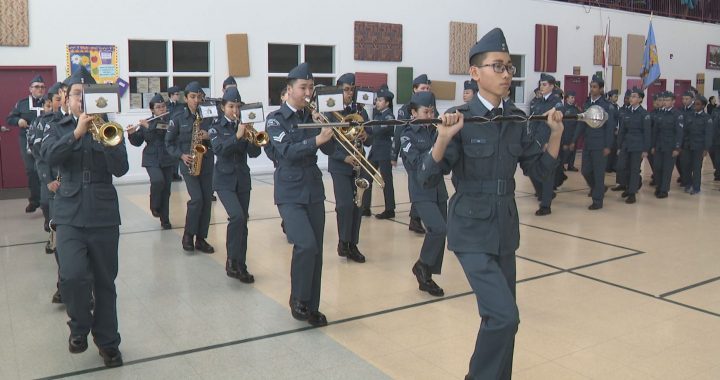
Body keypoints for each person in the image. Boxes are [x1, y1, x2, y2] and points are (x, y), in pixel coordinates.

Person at [418, 28, 563, 379]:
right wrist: (442, 139)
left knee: (499, 318)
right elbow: (427, 177)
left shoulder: (515, 118)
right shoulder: (460, 117)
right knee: (505, 316)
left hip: (504, 231)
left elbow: (541, 173)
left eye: (509, 68)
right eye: (497, 66)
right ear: (475, 73)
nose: (506, 74)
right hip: (470, 229)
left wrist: (555, 135)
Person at [43, 67, 128, 368]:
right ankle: (79, 325)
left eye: (87, 94)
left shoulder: (109, 127)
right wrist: (77, 132)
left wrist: (105, 137)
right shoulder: (57, 126)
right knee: (73, 275)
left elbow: (121, 169)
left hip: (103, 213)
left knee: (106, 283)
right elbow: (50, 158)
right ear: (65, 98)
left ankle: (108, 342)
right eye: (77, 93)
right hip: (68, 212)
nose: (81, 99)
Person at [265, 62, 335, 326]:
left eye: (311, 87)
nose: (308, 92)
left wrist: (327, 128)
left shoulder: (312, 116)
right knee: (305, 244)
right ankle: (298, 298)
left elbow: (329, 152)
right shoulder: (276, 118)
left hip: (314, 189)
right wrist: (316, 139)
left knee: (316, 250)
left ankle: (311, 305)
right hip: (289, 190)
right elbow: (287, 152)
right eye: (303, 87)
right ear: (289, 89)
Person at [209, 87, 261, 283]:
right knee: (237, 217)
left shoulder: (244, 125)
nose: (235, 111)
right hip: (223, 180)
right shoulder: (216, 127)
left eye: (238, 107)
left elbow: (255, 154)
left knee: (243, 222)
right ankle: (232, 260)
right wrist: (238, 136)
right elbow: (220, 150)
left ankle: (241, 264)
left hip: (242, 179)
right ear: (223, 107)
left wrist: (254, 139)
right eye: (231, 106)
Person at [399, 92, 447, 297]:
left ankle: (427, 273)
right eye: (425, 112)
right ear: (413, 113)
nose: (430, 115)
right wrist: (439, 145)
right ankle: (423, 266)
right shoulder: (407, 134)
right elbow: (417, 164)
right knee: (438, 229)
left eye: (432, 111)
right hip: (421, 189)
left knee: (442, 231)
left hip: (439, 188)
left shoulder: (436, 130)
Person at [166, 82, 215, 253]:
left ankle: (201, 239)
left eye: (199, 97)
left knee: (206, 201)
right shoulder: (178, 117)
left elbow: (219, 136)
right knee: (197, 199)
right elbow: (169, 143)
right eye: (192, 97)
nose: (196, 100)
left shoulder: (209, 115)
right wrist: (181, 155)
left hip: (207, 162)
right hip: (189, 163)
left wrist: (209, 135)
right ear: (186, 98)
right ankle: (188, 235)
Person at [327, 73, 369, 263]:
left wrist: (366, 137)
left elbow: (372, 136)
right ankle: (343, 241)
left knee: (357, 206)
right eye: (345, 90)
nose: (349, 93)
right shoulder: (330, 112)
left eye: (352, 89)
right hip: (340, 165)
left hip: (359, 164)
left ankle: (353, 244)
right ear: (338, 90)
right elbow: (327, 144)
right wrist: (344, 157)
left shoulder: (360, 111)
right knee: (344, 205)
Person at [394, 74, 436, 234]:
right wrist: (394, 154)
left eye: (427, 88)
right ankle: (415, 219)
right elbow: (399, 132)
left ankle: (415, 218)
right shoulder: (406, 110)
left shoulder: (432, 120)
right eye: (422, 88)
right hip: (417, 164)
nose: (430, 115)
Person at [127, 94, 175, 229]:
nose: (161, 109)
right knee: (157, 181)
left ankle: (165, 219)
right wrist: (131, 133)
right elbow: (138, 142)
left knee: (166, 190)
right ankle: (154, 205)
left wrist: (148, 126)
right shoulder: (148, 122)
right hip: (151, 158)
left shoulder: (170, 121)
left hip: (167, 157)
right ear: (152, 110)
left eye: (163, 106)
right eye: (158, 107)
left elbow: (163, 132)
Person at [569, 74, 615, 210]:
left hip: (600, 144)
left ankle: (597, 200)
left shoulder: (607, 106)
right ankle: (598, 189)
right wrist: (574, 141)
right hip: (588, 143)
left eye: (594, 87)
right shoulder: (587, 104)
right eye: (591, 86)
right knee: (586, 170)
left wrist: (608, 145)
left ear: (601, 89)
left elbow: (610, 127)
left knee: (599, 173)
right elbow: (582, 124)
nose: (592, 89)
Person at [6, 75, 45, 213]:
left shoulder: (49, 102)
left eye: (42, 87)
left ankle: (47, 202)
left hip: (46, 140)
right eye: (36, 86)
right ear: (30, 89)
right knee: (31, 170)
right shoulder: (22, 103)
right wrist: (18, 121)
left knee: (46, 169)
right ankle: (35, 200)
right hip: (27, 141)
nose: (40, 89)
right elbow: (9, 119)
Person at [529, 73, 563, 216]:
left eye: (544, 84)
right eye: (540, 84)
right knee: (532, 170)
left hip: (548, 143)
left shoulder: (556, 102)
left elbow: (559, 112)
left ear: (552, 86)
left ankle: (546, 205)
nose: (541, 87)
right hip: (535, 141)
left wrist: (548, 142)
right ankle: (544, 194)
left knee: (547, 175)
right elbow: (533, 122)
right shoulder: (538, 101)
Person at [362, 85, 396, 220]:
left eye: (380, 100)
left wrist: (367, 128)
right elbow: (371, 130)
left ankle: (390, 209)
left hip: (384, 151)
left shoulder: (389, 116)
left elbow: (377, 130)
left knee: (386, 181)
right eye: (377, 100)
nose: (377, 102)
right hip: (375, 150)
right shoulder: (377, 115)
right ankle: (365, 207)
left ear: (387, 103)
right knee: (367, 177)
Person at [616, 88, 652, 204]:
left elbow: (647, 133)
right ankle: (629, 186)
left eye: (635, 96)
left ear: (640, 99)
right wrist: (619, 146)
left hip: (637, 145)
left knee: (634, 169)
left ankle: (632, 193)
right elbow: (622, 130)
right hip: (626, 144)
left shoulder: (644, 114)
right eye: (631, 96)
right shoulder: (626, 112)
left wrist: (645, 149)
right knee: (621, 167)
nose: (631, 98)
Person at [652, 91, 683, 198]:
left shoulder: (677, 114)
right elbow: (655, 131)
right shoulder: (660, 113)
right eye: (664, 100)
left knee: (667, 169)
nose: (665, 102)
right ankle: (659, 186)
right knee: (657, 167)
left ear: (673, 102)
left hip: (670, 146)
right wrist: (653, 146)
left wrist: (677, 148)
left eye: (668, 100)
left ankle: (664, 190)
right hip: (659, 145)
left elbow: (679, 133)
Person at [681, 95, 713, 194]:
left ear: (703, 106)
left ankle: (696, 187)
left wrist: (706, 148)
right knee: (686, 165)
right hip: (688, 145)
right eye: (695, 104)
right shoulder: (689, 116)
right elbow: (684, 131)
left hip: (699, 146)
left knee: (696, 167)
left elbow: (708, 134)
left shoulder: (707, 118)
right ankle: (688, 184)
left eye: (698, 104)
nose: (695, 106)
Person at [561, 90, 580, 172]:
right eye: (571, 97)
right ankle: (561, 165)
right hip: (565, 132)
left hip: (574, 131)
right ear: (567, 99)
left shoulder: (576, 109)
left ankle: (570, 165)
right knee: (564, 150)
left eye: (574, 98)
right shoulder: (563, 108)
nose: (573, 99)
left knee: (573, 149)